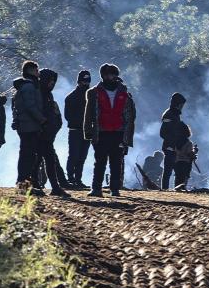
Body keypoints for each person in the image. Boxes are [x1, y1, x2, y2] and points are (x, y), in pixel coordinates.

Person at [83, 63, 136, 197]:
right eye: (106, 74)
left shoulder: (125, 94)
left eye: (112, 74)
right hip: (101, 132)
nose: (109, 77)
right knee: (99, 161)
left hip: (118, 132)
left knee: (116, 162)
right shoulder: (93, 93)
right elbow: (89, 114)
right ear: (102, 76)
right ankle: (96, 188)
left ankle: (115, 189)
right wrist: (88, 131)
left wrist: (127, 137)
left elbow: (130, 117)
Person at [34, 68, 70, 196]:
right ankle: (38, 185)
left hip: (47, 133)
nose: (52, 84)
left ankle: (53, 186)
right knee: (39, 160)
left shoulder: (48, 94)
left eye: (54, 81)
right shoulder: (38, 93)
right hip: (39, 132)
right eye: (50, 81)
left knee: (47, 160)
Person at [12, 61, 46, 195]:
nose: (38, 73)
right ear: (31, 71)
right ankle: (23, 184)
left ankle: (24, 183)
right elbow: (30, 106)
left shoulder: (24, 87)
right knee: (28, 155)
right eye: (37, 70)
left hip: (26, 126)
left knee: (27, 155)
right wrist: (42, 119)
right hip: (29, 126)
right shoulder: (29, 87)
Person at [64, 70, 92, 189]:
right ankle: (71, 179)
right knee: (74, 155)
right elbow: (67, 116)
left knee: (82, 156)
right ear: (79, 81)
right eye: (83, 81)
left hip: (86, 131)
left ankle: (78, 179)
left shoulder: (92, 96)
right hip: (75, 130)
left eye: (87, 81)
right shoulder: (71, 97)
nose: (86, 83)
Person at [160, 92, 186, 190]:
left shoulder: (174, 114)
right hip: (170, 147)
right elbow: (163, 133)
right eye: (181, 104)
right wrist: (171, 144)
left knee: (175, 170)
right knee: (168, 170)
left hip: (174, 147)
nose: (182, 106)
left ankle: (174, 188)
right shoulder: (169, 115)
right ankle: (165, 189)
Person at [173, 123, 197, 192]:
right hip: (186, 163)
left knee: (178, 177)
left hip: (177, 162)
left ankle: (176, 190)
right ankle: (182, 190)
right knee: (184, 178)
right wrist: (195, 151)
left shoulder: (175, 142)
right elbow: (189, 154)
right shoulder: (188, 143)